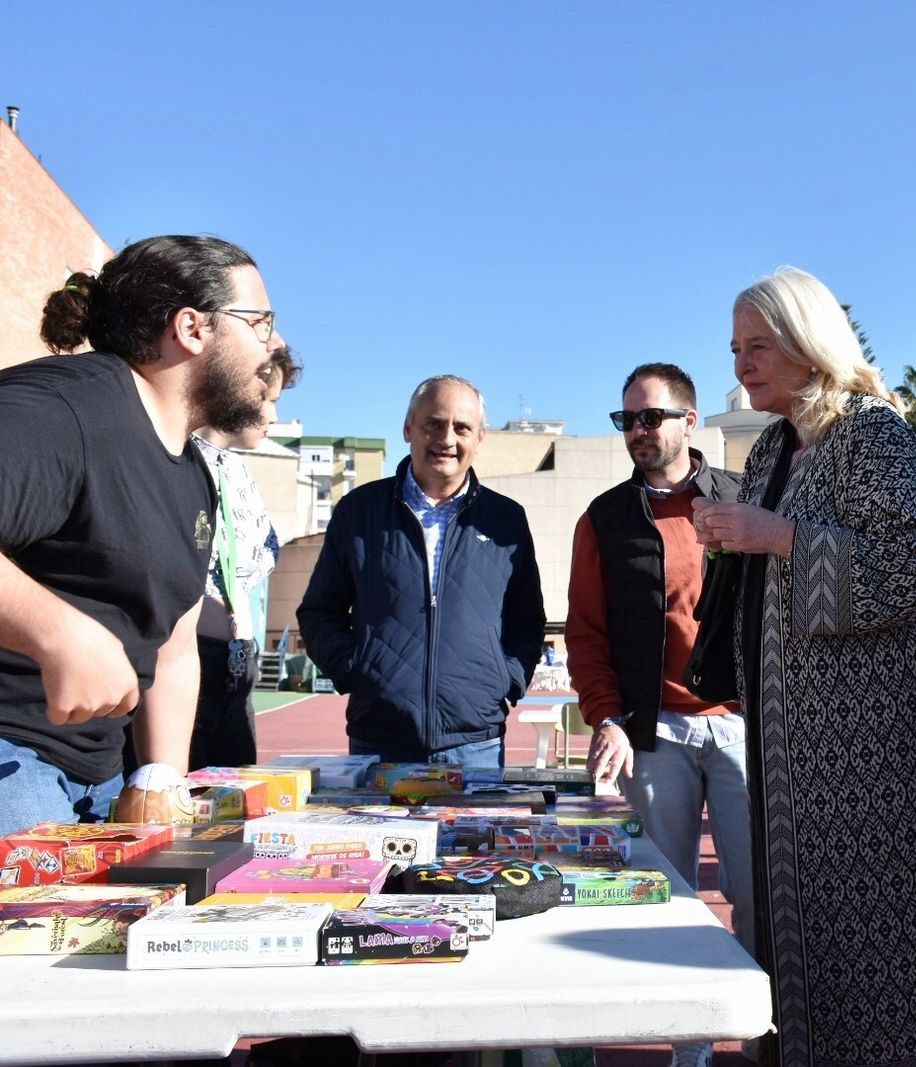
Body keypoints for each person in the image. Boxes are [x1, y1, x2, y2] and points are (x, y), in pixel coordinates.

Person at [693, 268, 916, 1067]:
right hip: (789, 754)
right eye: (735, 347)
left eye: (760, 345)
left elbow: (909, 566)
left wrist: (776, 537)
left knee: (877, 952)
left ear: (811, 344)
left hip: (866, 762)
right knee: (796, 937)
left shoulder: (871, 430)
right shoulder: (775, 442)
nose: (743, 363)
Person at [0, 235, 276, 835]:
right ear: (192, 328)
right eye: (260, 322)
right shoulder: (62, 407)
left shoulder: (195, 475)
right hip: (12, 765)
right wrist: (57, 633)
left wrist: (160, 780)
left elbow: (173, 647)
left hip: (98, 779)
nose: (273, 345)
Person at [567, 362, 752, 1067]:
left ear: (690, 420)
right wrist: (607, 716)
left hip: (739, 723)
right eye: (626, 421)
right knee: (671, 894)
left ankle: (762, 1034)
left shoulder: (741, 498)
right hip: (655, 734)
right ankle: (691, 1046)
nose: (637, 432)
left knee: (755, 891)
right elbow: (586, 631)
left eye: (651, 417)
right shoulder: (605, 518)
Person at [298, 375, 545, 773]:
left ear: (479, 437)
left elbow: (527, 621)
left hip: (476, 745)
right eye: (434, 423)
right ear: (409, 428)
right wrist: (357, 670)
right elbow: (318, 613)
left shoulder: (506, 520)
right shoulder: (359, 512)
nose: (447, 438)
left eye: (462, 427)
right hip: (379, 742)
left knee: (472, 839)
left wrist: (506, 679)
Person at [187, 344, 303, 770]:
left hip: (237, 666)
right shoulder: (178, 458)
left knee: (234, 795)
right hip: (188, 663)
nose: (273, 415)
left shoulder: (237, 469)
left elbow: (250, 563)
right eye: (267, 399)